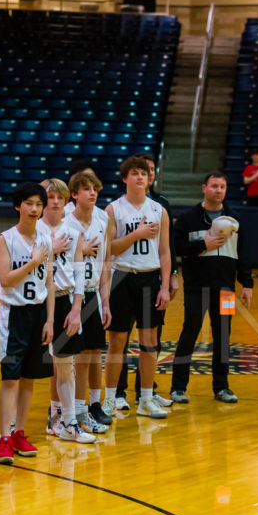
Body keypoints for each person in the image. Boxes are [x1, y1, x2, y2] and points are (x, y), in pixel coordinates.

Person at [171, 170, 253, 403]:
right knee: (190, 334)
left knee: (223, 337)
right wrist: (202, 244)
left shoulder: (235, 220)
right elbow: (176, 247)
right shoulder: (188, 219)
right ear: (204, 188)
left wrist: (247, 283)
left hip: (226, 289)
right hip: (197, 288)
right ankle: (178, 387)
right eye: (214, 186)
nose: (218, 190)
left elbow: (244, 253)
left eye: (223, 187)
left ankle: (221, 387)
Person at [103, 156, 171, 419]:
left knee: (149, 342)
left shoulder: (159, 210)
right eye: (135, 173)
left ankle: (145, 398)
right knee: (117, 341)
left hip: (149, 279)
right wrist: (136, 234)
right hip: (122, 277)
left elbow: (165, 252)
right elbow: (108, 248)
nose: (141, 177)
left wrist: (165, 286)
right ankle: (110, 400)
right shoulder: (113, 210)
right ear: (125, 178)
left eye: (144, 173)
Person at [0, 182, 55, 464]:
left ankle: (19, 433)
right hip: (13, 313)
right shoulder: (5, 239)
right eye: (29, 203)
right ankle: (3, 438)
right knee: (10, 378)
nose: (34, 209)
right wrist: (32, 263)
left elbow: (50, 282)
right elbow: (6, 279)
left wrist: (51, 319)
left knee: (29, 377)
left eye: (39, 204)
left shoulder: (45, 239)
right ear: (18, 206)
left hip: (38, 313)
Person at [38, 178, 96, 444]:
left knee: (66, 366)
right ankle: (19, 427)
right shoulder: (34, 229)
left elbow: (79, 272)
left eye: (60, 197)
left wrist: (76, 308)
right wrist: (51, 250)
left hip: (65, 300)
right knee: (28, 370)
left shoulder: (73, 230)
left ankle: (68, 422)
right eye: (50, 196)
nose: (55, 201)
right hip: (37, 303)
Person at [64, 168, 115, 428]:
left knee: (94, 352)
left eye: (95, 189)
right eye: (86, 189)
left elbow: (105, 262)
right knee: (77, 356)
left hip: (94, 291)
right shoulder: (65, 223)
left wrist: (105, 301)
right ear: (74, 194)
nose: (92, 193)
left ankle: (93, 406)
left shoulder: (102, 219)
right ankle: (75, 411)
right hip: (72, 294)